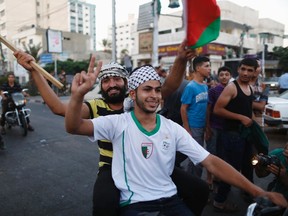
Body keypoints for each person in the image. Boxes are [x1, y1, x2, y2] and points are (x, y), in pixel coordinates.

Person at [15, 40, 211, 216]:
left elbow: (168, 87)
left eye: (117, 78)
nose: (112, 84)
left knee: (200, 190)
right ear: (101, 85)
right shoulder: (94, 106)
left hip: (150, 163)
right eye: (106, 80)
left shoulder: (136, 100)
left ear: (127, 84)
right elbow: (59, 108)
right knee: (103, 206)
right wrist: (34, 72)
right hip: (110, 167)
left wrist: (180, 60)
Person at [65, 64, 287, 216]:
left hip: (172, 202)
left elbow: (211, 162)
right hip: (136, 206)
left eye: (157, 90)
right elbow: (74, 126)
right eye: (147, 90)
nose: (154, 95)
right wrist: (77, 96)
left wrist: (259, 191)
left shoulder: (173, 129)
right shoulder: (117, 123)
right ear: (133, 95)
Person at [212, 58, 258, 212]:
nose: (245, 73)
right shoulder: (232, 87)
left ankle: (249, 193)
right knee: (231, 169)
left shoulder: (250, 88)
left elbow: (248, 109)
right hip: (231, 135)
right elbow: (217, 110)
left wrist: (253, 123)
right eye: (243, 69)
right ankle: (219, 200)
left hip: (245, 135)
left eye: (249, 70)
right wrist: (240, 118)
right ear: (238, 69)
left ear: (253, 72)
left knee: (248, 166)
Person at [180, 56, 210, 177]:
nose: (209, 69)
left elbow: (206, 108)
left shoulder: (205, 86)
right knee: (196, 159)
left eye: (209, 66)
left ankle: (193, 183)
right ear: (198, 68)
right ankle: (193, 184)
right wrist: (187, 129)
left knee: (197, 158)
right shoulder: (191, 87)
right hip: (193, 127)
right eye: (206, 66)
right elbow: (183, 108)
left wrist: (207, 127)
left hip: (202, 126)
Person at [205, 66, 232, 189]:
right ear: (218, 76)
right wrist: (208, 127)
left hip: (227, 128)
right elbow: (208, 110)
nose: (224, 77)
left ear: (230, 76)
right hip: (214, 126)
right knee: (211, 153)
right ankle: (209, 178)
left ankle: (218, 176)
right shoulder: (214, 90)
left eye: (227, 74)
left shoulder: (233, 90)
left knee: (223, 153)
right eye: (222, 74)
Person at [250, 59, 269, 126]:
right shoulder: (238, 82)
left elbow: (261, 106)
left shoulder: (264, 85)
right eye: (252, 66)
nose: (255, 68)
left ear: (260, 68)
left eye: (257, 66)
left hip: (257, 120)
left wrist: (243, 101)